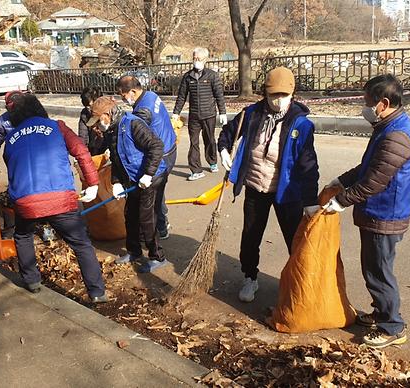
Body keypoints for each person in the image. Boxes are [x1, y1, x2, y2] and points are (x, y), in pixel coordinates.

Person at [323, 74, 410, 349]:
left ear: (384, 103)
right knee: (373, 267)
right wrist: (342, 180)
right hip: (380, 212)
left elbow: (374, 181)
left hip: (385, 214)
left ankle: (393, 326)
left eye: (368, 102)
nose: (365, 108)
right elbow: (369, 167)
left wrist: (341, 201)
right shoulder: (388, 126)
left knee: (378, 271)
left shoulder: (396, 136)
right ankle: (380, 312)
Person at [0, 92, 109, 302]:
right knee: (81, 243)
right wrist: (93, 183)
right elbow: (81, 152)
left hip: (26, 201)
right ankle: (97, 292)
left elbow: (11, 162)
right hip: (61, 198)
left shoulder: (12, 136)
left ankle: (31, 281)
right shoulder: (57, 126)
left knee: (23, 236)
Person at [217, 67, 319, 303]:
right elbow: (228, 132)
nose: (278, 100)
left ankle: (299, 281)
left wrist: (310, 200)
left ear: (292, 94)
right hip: (255, 187)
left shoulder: (301, 125)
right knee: (250, 237)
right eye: (273, 95)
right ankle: (249, 277)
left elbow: (308, 165)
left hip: (287, 193)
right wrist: (223, 149)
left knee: (295, 240)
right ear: (265, 93)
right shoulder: (251, 114)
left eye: (283, 95)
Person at [87, 96, 173, 273]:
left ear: (108, 114)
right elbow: (117, 158)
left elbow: (156, 146)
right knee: (130, 215)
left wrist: (148, 174)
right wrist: (117, 182)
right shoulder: (111, 130)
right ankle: (134, 251)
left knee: (147, 218)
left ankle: (157, 256)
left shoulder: (133, 124)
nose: (96, 126)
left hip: (152, 177)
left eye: (98, 121)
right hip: (133, 179)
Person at [117, 75, 176, 240]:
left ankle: (160, 228)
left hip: (161, 154)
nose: (123, 99)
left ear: (133, 91)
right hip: (170, 146)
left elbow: (138, 135)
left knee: (153, 194)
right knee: (159, 190)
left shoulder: (143, 111)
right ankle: (162, 223)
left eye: (123, 95)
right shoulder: (150, 95)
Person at [173, 47, 227, 181]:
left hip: (209, 114)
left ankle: (212, 161)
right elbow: (181, 96)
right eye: (194, 58)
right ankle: (196, 170)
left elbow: (219, 96)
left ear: (205, 59)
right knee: (194, 143)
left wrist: (223, 112)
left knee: (209, 139)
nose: (196, 60)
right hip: (194, 116)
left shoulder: (212, 76)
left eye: (199, 58)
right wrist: (176, 112)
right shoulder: (188, 77)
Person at [78, 87, 107, 155]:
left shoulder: (108, 111)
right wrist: (82, 151)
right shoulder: (85, 114)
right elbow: (83, 135)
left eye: (90, 106)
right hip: (93, 147)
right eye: (86, 106)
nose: (89, 109)